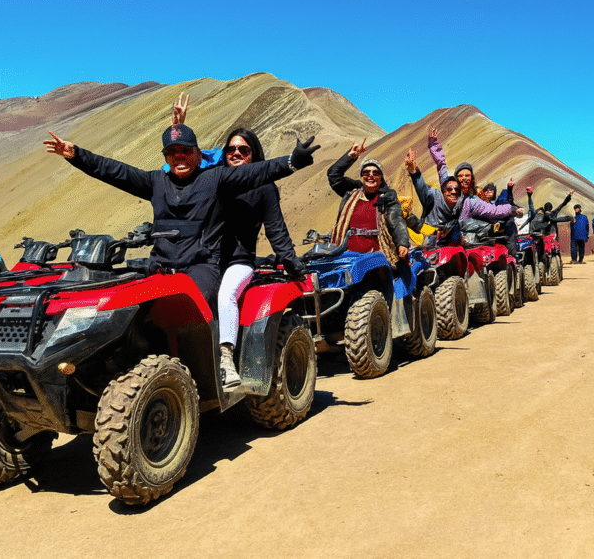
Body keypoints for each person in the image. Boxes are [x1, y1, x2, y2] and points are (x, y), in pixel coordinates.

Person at [43, 124, 319, 316]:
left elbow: (262, 173)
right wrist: (76, 155)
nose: (179, 157)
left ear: (199, 156)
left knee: (203, 306)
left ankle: (222, 359)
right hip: (162, 264)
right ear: (166, 158)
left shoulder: (216, 179)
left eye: (186, 151)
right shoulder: (156, 181)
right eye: (172, 152)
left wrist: (292, 162)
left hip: (209, 265)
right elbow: (115, 171)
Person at [172, 95, 304, 387]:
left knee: (226, 295)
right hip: (204, 259)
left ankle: (226, 361)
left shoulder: (265, 187)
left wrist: (291, 260)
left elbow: (276, 230)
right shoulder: (213, 179)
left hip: (239, 261)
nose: (235, 153)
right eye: (230, 149)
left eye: (242, 149)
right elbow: (181, 170)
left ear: (253, 154)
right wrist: (178, 128)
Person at [405, 148, 522, 253]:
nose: (453, 191)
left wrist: (513, 209)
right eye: (460, 176)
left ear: (472, 179)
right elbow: (440, 169)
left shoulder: (472, 200)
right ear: (444, 189)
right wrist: (414, 171)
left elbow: (493, 210)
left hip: (456, 238)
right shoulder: (436, 196)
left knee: (468, 226)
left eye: (467, 176)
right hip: (430, 240)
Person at [327, 138, 409, 265]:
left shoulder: (387, 195)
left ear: (381, 177)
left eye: (375, 172)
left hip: (377, 254)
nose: (370, 175)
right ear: (362, 176)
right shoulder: (352, 192)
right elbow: (333, 176)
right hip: (348, 255)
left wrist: (402, 243)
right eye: (366, 172)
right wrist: (350, 156)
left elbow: (396, 220)